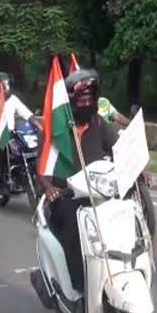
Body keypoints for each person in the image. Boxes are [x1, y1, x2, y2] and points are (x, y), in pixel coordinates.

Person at [37, 69, 118, 294]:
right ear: (71, 101)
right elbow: (41, 167)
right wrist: (49, 187)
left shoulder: (100, 124)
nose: (86, 102)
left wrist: (140, 170)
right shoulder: (57, 129)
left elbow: (118, 150)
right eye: (81, 98)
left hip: (98, 193)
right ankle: (79, 289)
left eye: (89, 98)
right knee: (75, 223)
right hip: (66, 196)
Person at [0, 72, 42, 189]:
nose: (6, 91)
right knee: (1, 149)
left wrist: (40, 126)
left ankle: (24, 174)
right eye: (3, 88)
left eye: (7, 88)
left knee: (28, 148)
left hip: (11, 134)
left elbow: (27, 114)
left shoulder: (14, 99)